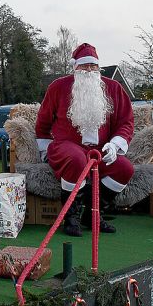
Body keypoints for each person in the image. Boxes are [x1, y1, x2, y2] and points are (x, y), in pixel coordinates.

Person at [35, 43, 134, 237]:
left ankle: (93, 214)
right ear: (75, 68)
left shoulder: (113, 88)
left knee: (124, 169)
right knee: (77, 160)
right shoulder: (58, 87)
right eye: (84, 66)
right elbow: (43, 122)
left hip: (100, 150)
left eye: (93, 66)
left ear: (98, 68)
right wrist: (44, 150)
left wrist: (115, 144)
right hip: (66, 146)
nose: (89, 70)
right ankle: (70, 217)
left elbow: (126, 121)